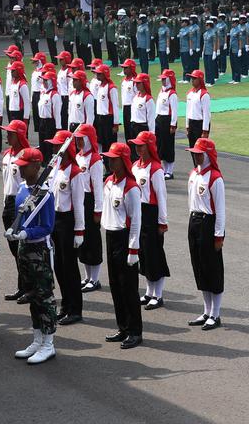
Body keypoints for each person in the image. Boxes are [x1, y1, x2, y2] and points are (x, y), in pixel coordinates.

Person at [5, 147, 60, 365]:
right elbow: (19, 216)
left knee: (44, 296)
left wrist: (28, 233)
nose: (20, 169)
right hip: (24, 248)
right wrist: (15, 230)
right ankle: (38, 339)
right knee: (31, 294)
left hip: (39, 250)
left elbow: (47, 226)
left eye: (25, 166)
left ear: (37, 167)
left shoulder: (45, 194)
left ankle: (49, 343)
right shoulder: (22, 188)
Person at [100, 142, 144, 349]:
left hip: (124, 239)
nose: (110, 162)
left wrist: (133, 249)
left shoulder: (131, 187)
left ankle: (135, 331)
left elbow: (135, 220)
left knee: (128, 288)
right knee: (115, 286)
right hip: (111, 236)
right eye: (109, 158)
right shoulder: (108, 182)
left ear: (123, 161)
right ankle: (123, 327)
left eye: (114, 159)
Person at [44, 130, 86, 325]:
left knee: (70, 268)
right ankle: (66, 305)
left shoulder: (75, 172)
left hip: (68, 222)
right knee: (59, 267)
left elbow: (79, 204)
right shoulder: (55, 168)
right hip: (55, 220)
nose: (53, 148)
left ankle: (76, 309)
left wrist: (79, 231)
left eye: (57, 145)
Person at [186, 138, 226, 331]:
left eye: (199, 153)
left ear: (208, 155)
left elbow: (220, 210)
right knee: (200, 266)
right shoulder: (193, 174)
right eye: (194, 153)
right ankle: (206, 311)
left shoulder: (215, 178)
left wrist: (219, 235)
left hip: (208, 224)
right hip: (194, 221)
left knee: (212, 269)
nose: (196, 156)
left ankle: (215, 314)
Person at [130, 131, 170, 310]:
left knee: (154, 253)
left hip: (151, 213)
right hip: (139, 211)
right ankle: (149, 292)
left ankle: (158, 294)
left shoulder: (156, 169)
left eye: (141, 145)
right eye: (137, 145)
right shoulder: (135, 166)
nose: (138, 148)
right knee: (143, 253)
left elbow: (161, 196)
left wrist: (162, 221)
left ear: (149, 147)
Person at [0, 119, 31, 300]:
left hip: (20, 202)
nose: (7, 135)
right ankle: (23, 286)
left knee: (22, 248)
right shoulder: (6, 155)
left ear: (19, 136)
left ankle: (28, 287)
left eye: (11, 133)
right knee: (14, 248)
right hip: (8, 202)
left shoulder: (26, 156)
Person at [74, 123, 105, 293]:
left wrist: (98, 210)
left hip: (90, 201)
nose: (79, 141)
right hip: (80, 200)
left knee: (93, 240)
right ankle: (87, 277)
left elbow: (98, 187)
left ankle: (95, 278)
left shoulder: (95, 159)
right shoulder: (78, 156)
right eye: (77, 138)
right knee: (83, 241)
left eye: (82, 138)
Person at [155, 70, 179, 178]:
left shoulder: (172, 94)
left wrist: (173, 125)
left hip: (167, 121)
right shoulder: (161, 91)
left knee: (168, 145)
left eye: (165, 79)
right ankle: (164, 169)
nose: (163, 81)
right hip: (159, 120)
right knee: (161, 145)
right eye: (162, 79)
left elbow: (174, 110)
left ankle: (170, 170)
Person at [36, 69, 62, 160]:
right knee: (42, 142)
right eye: (43, 80)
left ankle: (49, 161)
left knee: (49, 145)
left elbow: (57, 113)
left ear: (51, 81)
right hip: (42, 121)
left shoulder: (54, 95)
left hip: (50, 122)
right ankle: (43, 160)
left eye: (46, 80)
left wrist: (58, 128)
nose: (44, 82)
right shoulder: (43, 93)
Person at [93, 64, 120, 151]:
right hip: (100, 119)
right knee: (103, 142)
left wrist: (116, 124)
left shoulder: (111, 88)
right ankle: (105, 158)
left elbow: (115, 106)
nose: (97, 75)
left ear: (105, 74)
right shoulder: (100, 86)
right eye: (97, 73)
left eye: (99, 74)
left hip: (108, 119)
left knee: (110, 143)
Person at [185, 70, 211, 147]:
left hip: (200, 124)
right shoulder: (189, 93)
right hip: (191, 123)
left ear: (200, 80)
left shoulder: (204, 94)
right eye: (191, 78)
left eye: (194, 78)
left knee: (200, 148)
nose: (192, 80)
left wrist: (205, 130)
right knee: (192, 147)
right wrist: (187, 126)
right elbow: (188, 110)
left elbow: (206, 113)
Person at [129, 72, 153, 142]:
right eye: (136, 83)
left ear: (145, 83)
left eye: (139, 83)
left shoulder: (148, 99)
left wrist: (152, 133)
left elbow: (151, 118)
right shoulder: (135, 97)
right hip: (134, 126)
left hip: (143, 127)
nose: (136, 85)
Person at [120, 59, 138, 141]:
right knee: (127, 131)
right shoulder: (124, 81)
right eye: (123, 68)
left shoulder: (135, 81)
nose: (124, 70)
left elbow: (138, 95)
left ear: (132, 68)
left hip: (132, 108)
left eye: (126, 68)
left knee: (132, 131)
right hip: (125, 108)